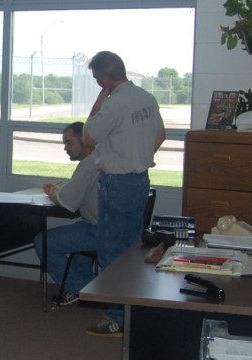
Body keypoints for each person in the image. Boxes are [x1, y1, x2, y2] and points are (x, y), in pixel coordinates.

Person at [80, 50, 165, 337]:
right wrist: (137, 157)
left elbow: (88, 138)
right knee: (132, 253)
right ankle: (134, 313)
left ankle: (117, 317)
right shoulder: (146, 98)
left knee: (111, 253)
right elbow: (160, 135)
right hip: (140, 180)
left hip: (116, 183)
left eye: (96, 78)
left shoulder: (114, 103)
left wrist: (100, 99)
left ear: (105, 79)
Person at [33, 122, 99, 307]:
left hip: (98, 230)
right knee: (78, 232)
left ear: (84, 140)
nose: (65, 148)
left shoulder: (88, 164)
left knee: (42, 242)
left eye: (69, 142)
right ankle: (88, 286)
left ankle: (79, 288)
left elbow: (68, 202)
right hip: (107, 227)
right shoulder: (99, 159)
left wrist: (52, 191)